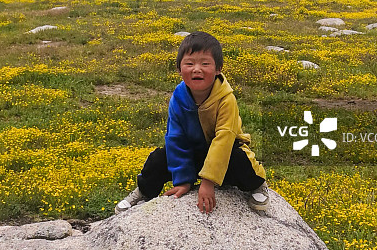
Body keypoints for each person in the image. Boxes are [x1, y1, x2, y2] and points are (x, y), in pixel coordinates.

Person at [115, 31, 269, 215]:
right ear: (179, 70)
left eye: (205, 63)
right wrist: (183, 180)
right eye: (189, 63)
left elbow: (224, 140)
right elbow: (176, 137)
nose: (197, 69)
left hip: (225, 153)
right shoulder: (178, 98)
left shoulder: (226, 99)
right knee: (158, 159)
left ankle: (258, 185)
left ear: (218, 68)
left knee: (240, 161)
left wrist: (208, 181)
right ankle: (144, 191)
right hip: (193, 153)